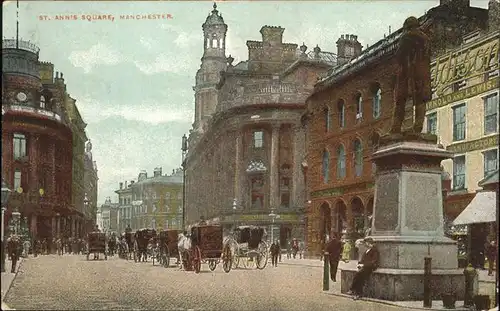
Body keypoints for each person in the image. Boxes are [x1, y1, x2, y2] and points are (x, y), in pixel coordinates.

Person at [390, 16, 431, 134]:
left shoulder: (406, 36)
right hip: (423, 74)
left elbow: (399, 55)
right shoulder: (426, 39)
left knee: (400, 100)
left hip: (408, 73)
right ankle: (418, 127)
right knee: (420, 100)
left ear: (407, 26)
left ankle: (395, 128)